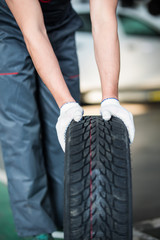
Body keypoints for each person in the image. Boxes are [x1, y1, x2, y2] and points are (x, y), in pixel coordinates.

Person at [0, 0, 135, 239]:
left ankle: (70, 219)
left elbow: (103, 20)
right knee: (21, 130)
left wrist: (110, 98)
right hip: (10, 30)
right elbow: (34, 30)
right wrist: (65, 103)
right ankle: (36, 229)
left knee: (68, 129)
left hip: (60, 27)